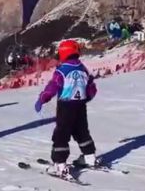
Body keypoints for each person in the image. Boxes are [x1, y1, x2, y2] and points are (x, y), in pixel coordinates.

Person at [34, 39, 98, 179]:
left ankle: (60, 164)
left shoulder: (62, 71)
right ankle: (89, 157)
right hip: (80, 105)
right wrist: (86, 98)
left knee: (61, 134)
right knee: (81, 131)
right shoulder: (83, 69)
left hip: (66, 106)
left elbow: (52, 87)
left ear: (63, 53)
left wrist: (42, 99)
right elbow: (92, 88)